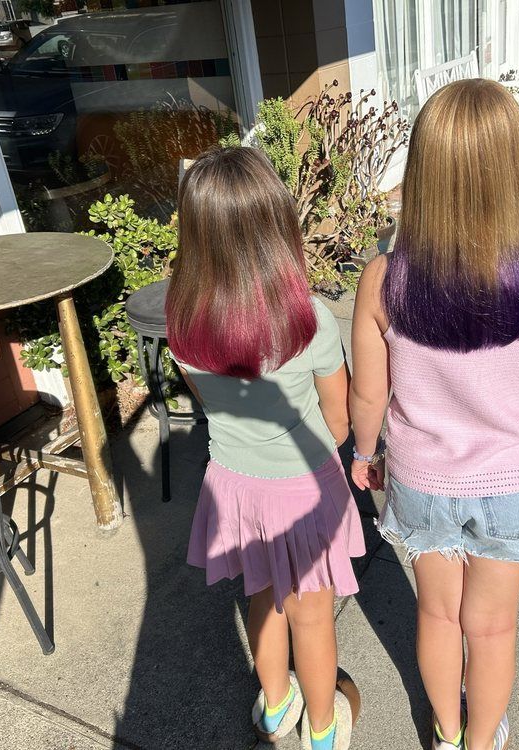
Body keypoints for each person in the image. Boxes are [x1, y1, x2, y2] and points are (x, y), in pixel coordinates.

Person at [349, 79, 519, 750]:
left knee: (436, 614)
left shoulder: (384, 281)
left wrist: (364, 453)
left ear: (422, 176)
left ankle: (447, 730)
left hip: (421, 479)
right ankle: (481, 742)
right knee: (492, 627)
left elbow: (368, 395)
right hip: (513, 483)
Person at [166, 147, 365, 750]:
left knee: (262, 597)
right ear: (278, 226)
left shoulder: (181, 319)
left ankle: (276, 707)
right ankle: (323, 730)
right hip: (304, 490)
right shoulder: (310, 321)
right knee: (312, 616)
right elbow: (338, 418)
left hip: (234, 483)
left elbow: (207, 402)